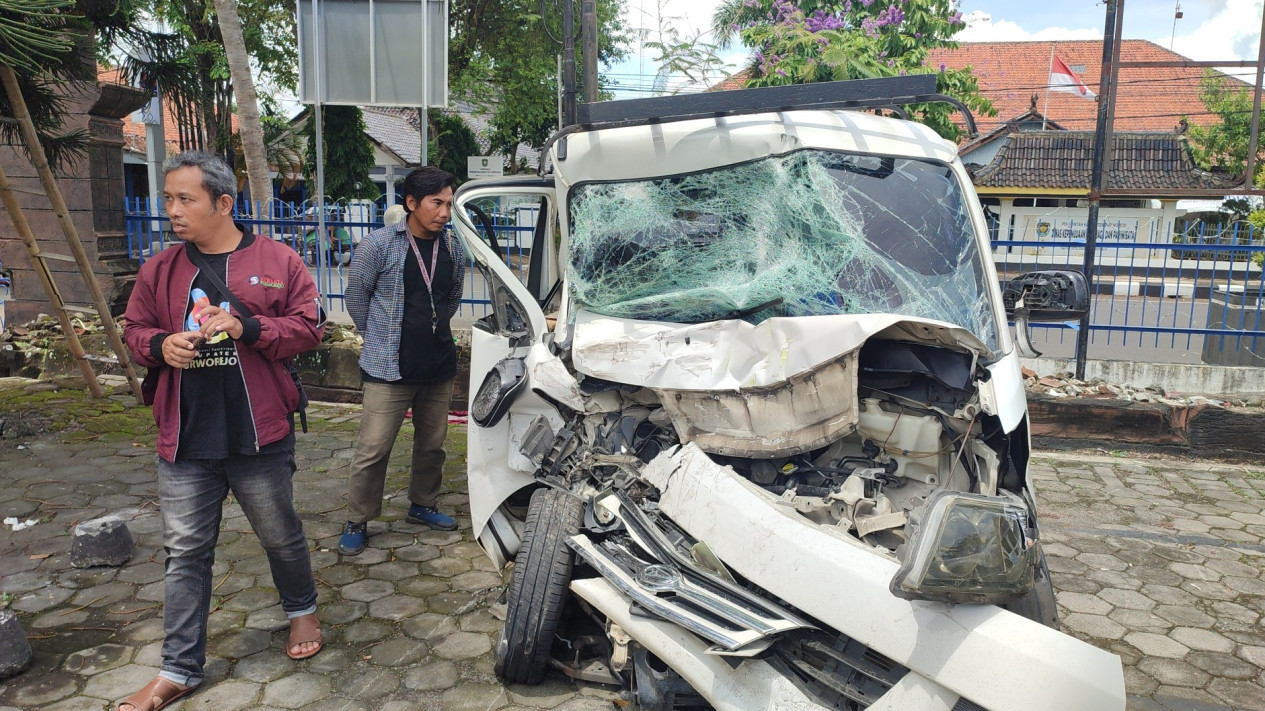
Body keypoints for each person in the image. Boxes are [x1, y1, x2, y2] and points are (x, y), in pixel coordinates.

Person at [120, 151, 326, 711]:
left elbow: (309, 328)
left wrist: (248, 325)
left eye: (185, 199)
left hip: (259, 433)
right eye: (168, 199)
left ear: (224, 203)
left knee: (280, 535)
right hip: (185, 437)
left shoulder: (277, 260)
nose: (172, 211)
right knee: (185, 552)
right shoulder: (158, 270)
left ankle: (301, 610)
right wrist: (160, 345)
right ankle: (178, 669)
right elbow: (134, 329)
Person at [339, 166, 465, 555]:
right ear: (411, 203)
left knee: (433, 445)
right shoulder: (379, 245)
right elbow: (356, 297)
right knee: (374, 449)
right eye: (436, 203)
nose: (445, 212)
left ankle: (423, 504)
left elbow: (452, 294)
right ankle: (358, 519)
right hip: (389, 368)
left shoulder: (452, 246)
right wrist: (377, 337)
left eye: (449, 203)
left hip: (437, 364)